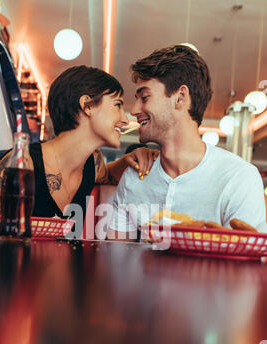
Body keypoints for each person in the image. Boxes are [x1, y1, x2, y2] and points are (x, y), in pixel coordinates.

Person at [107, 45, 266, 241]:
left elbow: (247, 262)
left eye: (145, 97)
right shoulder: (133, 177)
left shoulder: (239, 178)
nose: (135, 109)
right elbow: (115, 259)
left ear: (180, 97)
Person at [0, 65, 156, 226]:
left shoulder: (93, 164)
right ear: (87, 106)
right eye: (117, 105)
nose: (126, 119)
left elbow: (109, 175)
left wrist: (130, 159)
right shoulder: (23, 164)